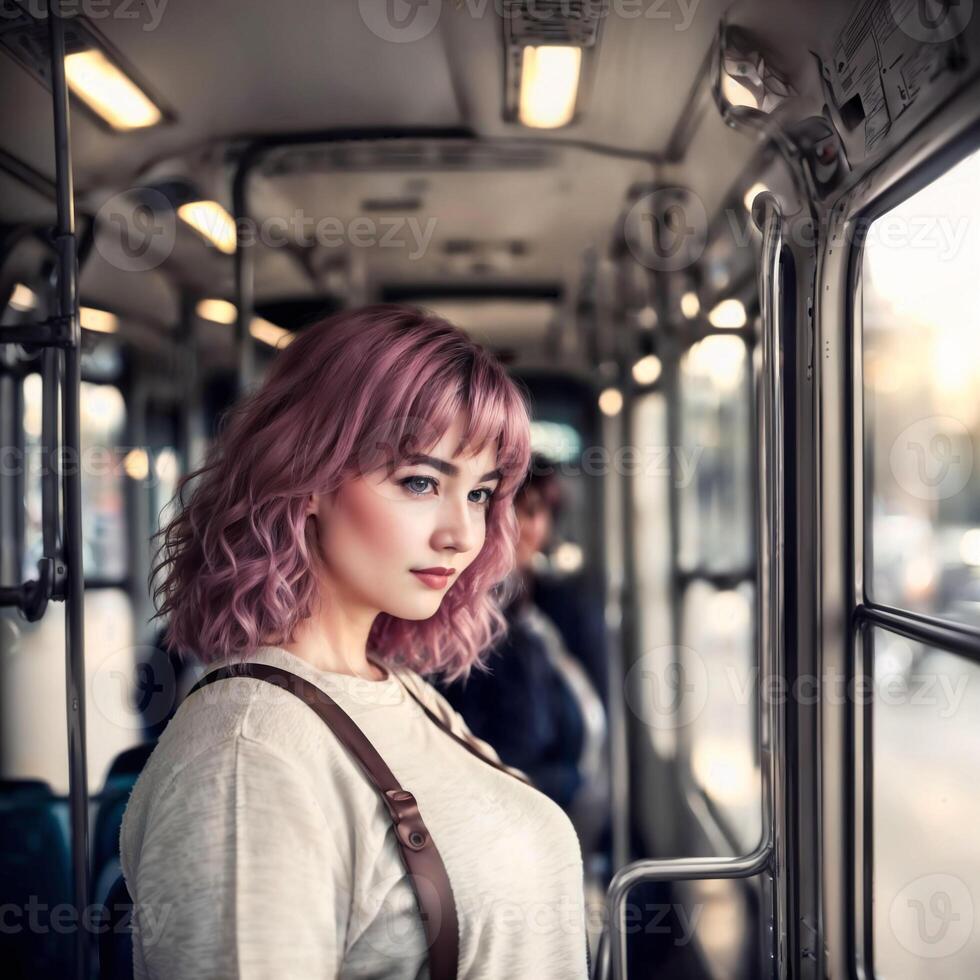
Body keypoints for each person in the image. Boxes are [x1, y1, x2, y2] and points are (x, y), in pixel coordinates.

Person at [120, 305, 590, 978]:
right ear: (307, 477)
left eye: (481, 493)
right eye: (421, 482)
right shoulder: (247, 758)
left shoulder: (395, 691)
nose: (462, 533)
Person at [438, 455, 610, 860]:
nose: (530, 529)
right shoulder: (471, 620)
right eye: (518, 511)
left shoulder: (554, 606)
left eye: (540, 514)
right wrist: (567, 781)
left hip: (575, 807)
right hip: (526, 815)